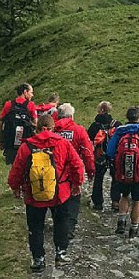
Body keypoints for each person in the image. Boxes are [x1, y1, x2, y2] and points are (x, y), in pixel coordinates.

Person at [7, 114, 85, 272]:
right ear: (52, 128)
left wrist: (15, 187)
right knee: (61, 222)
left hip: (33, 195)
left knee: (35, 227)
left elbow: (17, 169)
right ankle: (60, 253)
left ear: (36, 129)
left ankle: (38, 259)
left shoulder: (27, 146)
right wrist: (77, 184)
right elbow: (77, 165)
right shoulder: (62, 143)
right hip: (59, 193)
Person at [106, 106, 139, 239]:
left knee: (124, 195)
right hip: (137, 173)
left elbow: (110, 151)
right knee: (137, 199)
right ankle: (133, 229)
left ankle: (121, 222)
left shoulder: (119, 132)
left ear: (127, 117)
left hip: (122, 172)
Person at [53, 102, 95, 242]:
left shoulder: (52, 131)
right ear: (71, 116)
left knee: (57, 196)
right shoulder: (78, 130)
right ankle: (69, 226)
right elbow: (87, 152)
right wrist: (90, 171)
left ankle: (59, 223)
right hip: (73, 170)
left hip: (53, 171)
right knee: (74, 197)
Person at [87, 101, 121, 212]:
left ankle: (98, 202)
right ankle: (115, 201)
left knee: (98, 178)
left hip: (99, 154)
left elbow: (89, 137)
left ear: (100, 110)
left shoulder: (95, 125)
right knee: (115, 177)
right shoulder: (116, 124)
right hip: (113, 154)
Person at [0, 83, 37, 166]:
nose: (32, 95)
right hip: (26, 143)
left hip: (10, 143)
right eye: (31, 92)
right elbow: (36, 124)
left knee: (13, 168)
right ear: (25, 92)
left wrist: (2, 141)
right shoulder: (31, 105)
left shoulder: (8, 105)